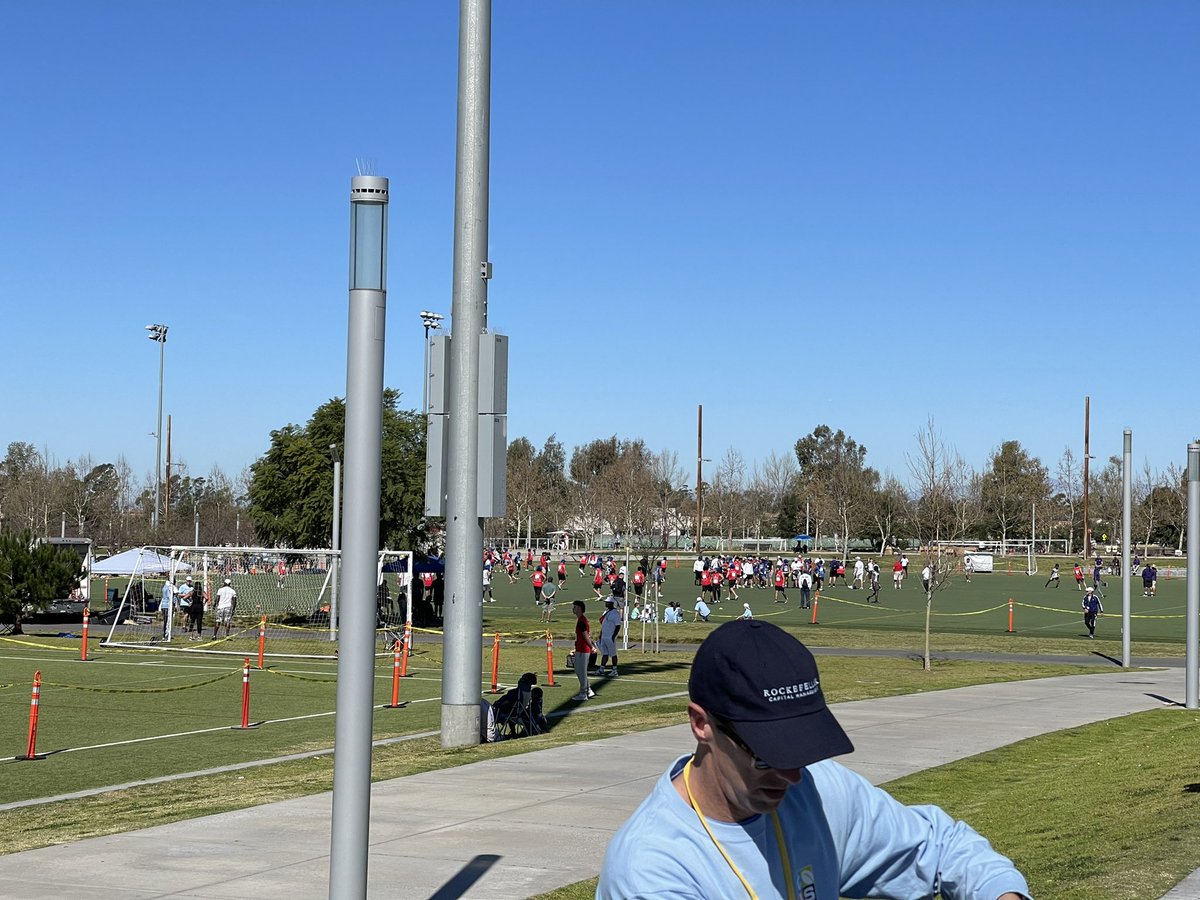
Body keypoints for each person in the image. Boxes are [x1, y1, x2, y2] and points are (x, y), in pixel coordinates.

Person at [597, 621, 1031, 900]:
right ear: (701, 725)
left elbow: (939, 847)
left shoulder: (816, 790)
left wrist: (1000, 892)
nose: (791, 775)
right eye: (768, 754)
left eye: (803, 750)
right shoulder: (650, 872)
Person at [571, 600, 596, 701]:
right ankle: (588, 690)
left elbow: (586, 636)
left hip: (583, 650)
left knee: (581, 671)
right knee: (579, 670)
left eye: (575, 607)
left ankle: (583, 693)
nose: (573, 609)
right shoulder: (581, 620)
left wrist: (591, 647)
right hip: (580, 648)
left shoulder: (582, 621)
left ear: (580, 608)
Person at [597, 598, 622, 676]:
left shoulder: (615, 613)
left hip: (610, 637)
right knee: (604, 653)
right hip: (604, 636)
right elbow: (603, 625)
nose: (606, 604)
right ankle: (602, 669)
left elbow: (618, 626)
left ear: (611, 603)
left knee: (613, 654)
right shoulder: (606, 612)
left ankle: (614, 670)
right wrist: (600, 635)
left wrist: (613, 636)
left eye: (607, 602)